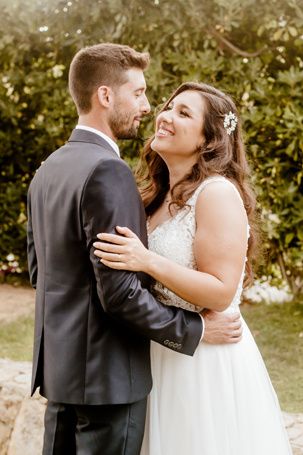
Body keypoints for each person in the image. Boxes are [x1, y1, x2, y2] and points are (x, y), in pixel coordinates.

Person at [27, 44, 242, 455]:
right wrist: (195, 329)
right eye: (140, 93)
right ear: (106, 96)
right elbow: (120, 293)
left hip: (64, 374)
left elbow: (43, 273)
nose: (149, 107)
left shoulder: (49, 168)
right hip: (109, 381)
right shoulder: (110, 171)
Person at [93, 82, 293, 454]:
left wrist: (146, 260)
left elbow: (220, 290)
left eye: (183, 113)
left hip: (205, 362)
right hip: (162, 350)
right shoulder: (154, 195)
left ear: (208, 141)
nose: (164, 116)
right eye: (169, 107)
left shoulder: (215, 193)